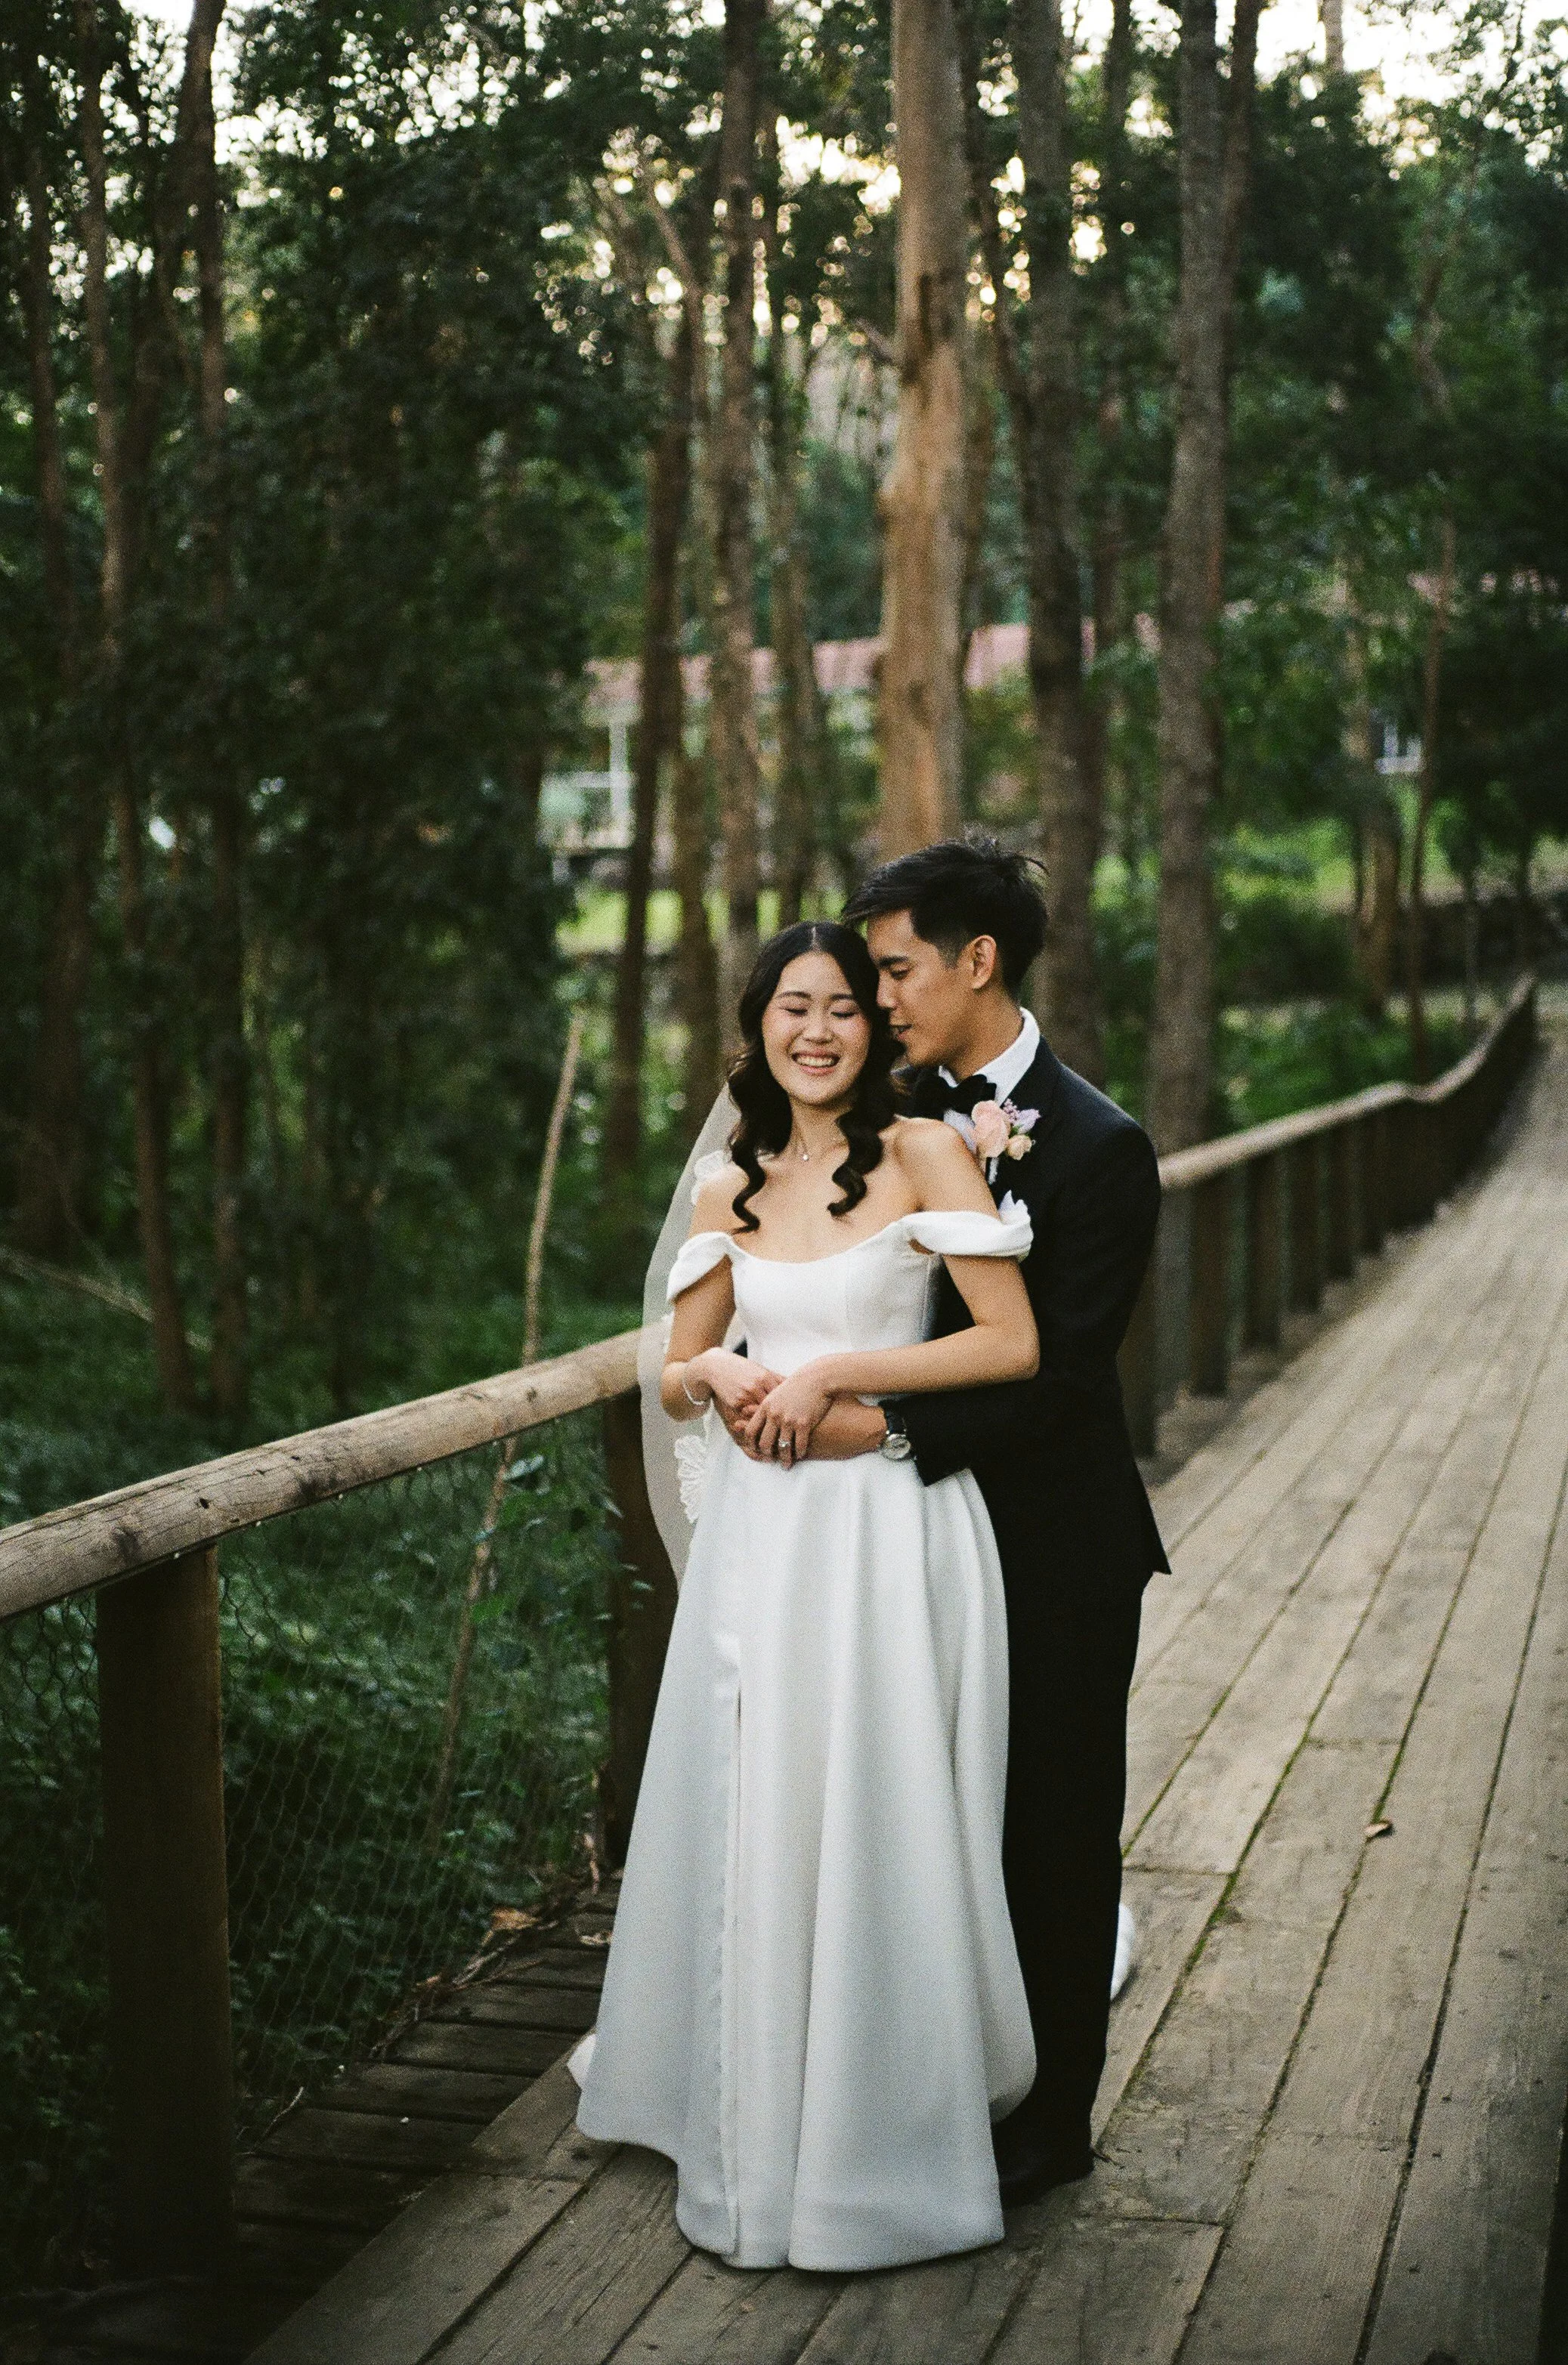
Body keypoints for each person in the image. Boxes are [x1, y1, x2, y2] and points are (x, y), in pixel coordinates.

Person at [574, 920, 1044, 2271]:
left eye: (844, 1004)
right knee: (761, 1795)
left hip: (883, 1528)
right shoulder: (727, 1184)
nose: (820, 1029)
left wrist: (845, 1375)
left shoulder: (923, 1153)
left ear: (871, 1025)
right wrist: (716, 1377)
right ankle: (748, 2098)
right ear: (757, 1025)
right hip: (762, 1542)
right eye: (794, 1007)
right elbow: (674, 1367)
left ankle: (874, 2132)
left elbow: (1009, 1345)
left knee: (875, 1799)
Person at [730, 840, 1168, 2206]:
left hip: (1051, 1548)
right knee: (924, 1822)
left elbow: (1060, 1373)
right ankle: (916, 2084)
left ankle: (1053, 2118)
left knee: (1047, 1823)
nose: (874, 995)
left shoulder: (1100, 1147)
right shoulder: (892, 1111)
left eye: (896, 969)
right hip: (895, 1550)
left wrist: (880, 1422)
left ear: (978, 961)